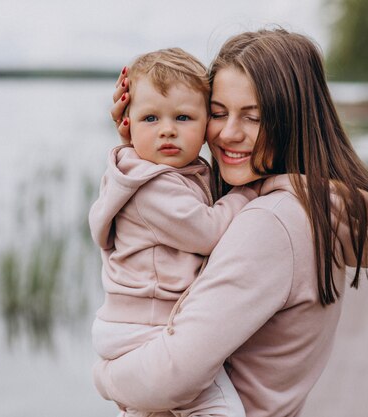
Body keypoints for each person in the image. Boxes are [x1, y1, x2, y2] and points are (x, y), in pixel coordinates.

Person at [95, 29, 368, 417]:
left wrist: (105, 376)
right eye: (218, 113)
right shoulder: (315, 206)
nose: (228, 133)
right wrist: (147, 144)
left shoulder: (269, 222)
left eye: (253, 117)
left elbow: (170, 378)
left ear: (293, 120)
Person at [89, 48, 259, 417]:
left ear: (205, 126)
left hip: (133, 323)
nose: (167, 129)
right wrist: (251, 192)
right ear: (128, 122)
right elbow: (209, 231)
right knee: (221, 407)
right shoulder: (153, 187)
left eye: (183, 117)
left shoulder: (149, 170)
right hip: (147, 324)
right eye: (150, 117)